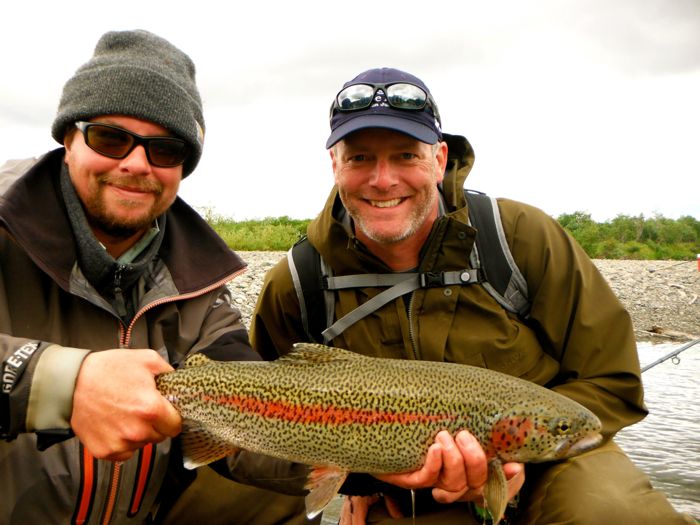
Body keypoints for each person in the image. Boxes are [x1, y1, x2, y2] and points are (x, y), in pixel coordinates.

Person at [251, 67, 695, 524]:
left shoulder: (520, 238)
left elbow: (611, 382)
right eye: (360, 158)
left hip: (554, 465)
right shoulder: (299, 281)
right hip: (402, 488)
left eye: (406, 156)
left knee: (613, 512)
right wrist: (359, 477)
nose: (383, 180)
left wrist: (519, 461)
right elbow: (262, 426)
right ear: (335, 165)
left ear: (439, 159)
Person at [0, 29, 312, 525]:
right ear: (68, 138)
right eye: (110, 138)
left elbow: (254, 414)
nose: (136, 163)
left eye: (165, 150)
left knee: (277, 500)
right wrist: (62, 384)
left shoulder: (200, 279)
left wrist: (380, 462)